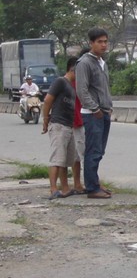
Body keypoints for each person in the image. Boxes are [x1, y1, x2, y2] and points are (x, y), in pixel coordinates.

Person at [75, 28, 113, 199]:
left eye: (105, 41)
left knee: (100, 151)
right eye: (100, 42)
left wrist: (108, 107)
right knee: (93, 150)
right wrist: (95, 109)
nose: (104, 45)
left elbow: (103, 89)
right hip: (92, 114)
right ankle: (91, 188)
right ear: (91, 43)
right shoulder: (84, 63)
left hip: (104, 112)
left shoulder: (102, 62)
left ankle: (95, 183)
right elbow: (82, 90)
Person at [41, 58, 79, 199]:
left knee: (66, 160)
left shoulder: (71, 86)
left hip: (69, 126)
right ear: (73, 69)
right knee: (57, 158)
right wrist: (45, 120)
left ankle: (65, 188)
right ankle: (53, 189)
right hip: (58, 125)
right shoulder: (60, 82)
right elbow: (47, 100)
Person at [69, 54, 87, 195]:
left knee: (76, 156)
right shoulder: (72, 84)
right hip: (77, 122)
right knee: (83, 155)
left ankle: (77, 183)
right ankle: (89, 183)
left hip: (77, 122)